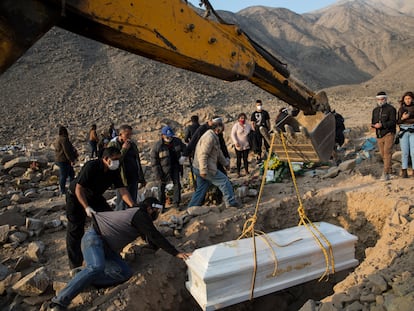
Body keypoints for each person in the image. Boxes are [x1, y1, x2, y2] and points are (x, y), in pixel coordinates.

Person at [47, 197, 191, 311]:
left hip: (107, 247)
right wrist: (175, 252)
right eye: (156, 212)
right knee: (96, 267)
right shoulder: (139, 215)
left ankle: (83, 277)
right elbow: (154, 235)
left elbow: (150, 238)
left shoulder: (138, 216)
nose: (156, 215)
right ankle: (58, 302)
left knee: (125, 273)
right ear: (149, 209)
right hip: (94, 238)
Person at [65, 147, 137, 271]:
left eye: (119, 159)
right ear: (105, 159)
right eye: (115, 159)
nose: (117, 162)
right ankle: (75, 266)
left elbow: (122, 190)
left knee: (110, 222)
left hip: (95, 197)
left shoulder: (114, 170)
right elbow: (79, 189)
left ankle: (110, 256)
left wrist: (133, 206)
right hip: (76, 197)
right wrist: (86, 207)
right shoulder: (91, 166)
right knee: (75, 229)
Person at [187, 119, 241, 209]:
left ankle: (192, 207)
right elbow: (203, 154)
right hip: (204, 167)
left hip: (197, 167)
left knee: (202, 187)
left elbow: (218, 152)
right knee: (224, 181)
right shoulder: (209, 138)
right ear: (218, 128)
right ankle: (231, 203)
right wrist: (203, 170)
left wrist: (226, 163)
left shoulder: (213, 136)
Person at [107, 124, 146, 210]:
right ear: (120, 134)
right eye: (127, 135)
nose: (129, 137)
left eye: (130, 135)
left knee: (132, 203)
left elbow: (137, 161)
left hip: (133, 177)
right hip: (122, 179)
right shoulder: (113, 145)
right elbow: (113, 162)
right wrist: (124, 150)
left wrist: (141, 177)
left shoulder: (132, 144)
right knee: (122, 204)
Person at [150, 126, 187, 210]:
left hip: (175, 166)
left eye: (171, 136)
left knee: (177, 184)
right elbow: (154, 162)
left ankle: (176, 203)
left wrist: (183, 156)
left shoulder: (177, 141)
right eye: (167, 136)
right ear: (162, 135)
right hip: (163, 169)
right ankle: (161, 206)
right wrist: (158, 174)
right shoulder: (158, 146)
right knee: (161, 187)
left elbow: (185, 148)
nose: (169, 138)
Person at [371, 91, 397, 181]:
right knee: (382, 154)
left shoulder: (391, 109)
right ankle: (390, 172)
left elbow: (393, 122)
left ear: (386, 99)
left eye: (382, 99)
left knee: (387, 152)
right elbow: (373, 121)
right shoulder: (375, 110)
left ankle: (385, 174)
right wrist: (373, 125)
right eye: (378, 99)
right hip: (379, 134)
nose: (380, 101)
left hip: (389, 133)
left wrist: (382, 125)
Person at [54, 126, 78, 195]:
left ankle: (70, 188)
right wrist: (71, 159)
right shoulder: (64, 139)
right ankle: (63, 190)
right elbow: (66, 151)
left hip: (60, 159)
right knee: (64, 175)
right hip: (64, 160)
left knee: (71, 174)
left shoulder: (58, 139)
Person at [396, 91, 414, 178]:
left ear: (412, 99)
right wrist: (403, 118)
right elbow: (398, 121)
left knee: (413, 152)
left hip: (413, 131)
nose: (408, 100)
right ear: (403, 99)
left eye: (409, 98)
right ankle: (404, 170)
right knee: (405, 152)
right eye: (406, 98)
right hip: (403, 131)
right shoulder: (401, 109)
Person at [231, 113, 252, 177]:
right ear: (238, 119)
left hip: (246, 145)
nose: (242, 119)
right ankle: (238, 172)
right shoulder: (236, 126)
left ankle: (246, 171)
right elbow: (233, 134)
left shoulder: (248, 125)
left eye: (243, 118)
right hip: (238, 145)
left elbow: (251, 132)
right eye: (241, 118)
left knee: (245, 159)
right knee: (239, 159)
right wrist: (235, 142)